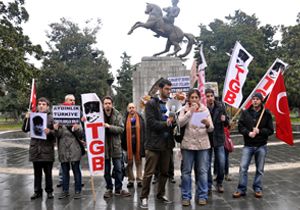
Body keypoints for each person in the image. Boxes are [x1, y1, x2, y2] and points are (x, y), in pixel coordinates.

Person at [140, 79, 175, 209]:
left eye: (170, 89)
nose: (169, 91)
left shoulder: (172, 103)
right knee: (149, 173)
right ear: (160, 89)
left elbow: (175, 122)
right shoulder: (151, 103)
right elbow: (151, 123)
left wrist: (175, 122)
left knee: (164, 172)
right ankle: (144, 197)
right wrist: (166, 123)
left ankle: (161, 194)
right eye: (166, 89)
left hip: (167, 144)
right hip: (153, 144)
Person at [233, 92, 274, 199]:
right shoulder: (246, 113)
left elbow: (270, 130)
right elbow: (240, 127)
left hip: (261, 145)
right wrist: (248, 133)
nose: (255, 101)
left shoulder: (266, 113)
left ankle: (258, 188)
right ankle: (241, 189)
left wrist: (260, 131)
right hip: (248, 145)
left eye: (257, 99)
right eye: (253, 99)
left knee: (259, 169)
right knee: (243, 168)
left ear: (261, 100)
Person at [179, 89, 214, 206]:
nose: (194, 100)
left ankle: (202, 195)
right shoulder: (184, 109)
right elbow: (180, 123)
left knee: (203, 171)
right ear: (189, 98)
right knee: (186, 172)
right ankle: (186, 196)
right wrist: (190, 113)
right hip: (188, 144)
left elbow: (211, 128)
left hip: (203, 144)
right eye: (192, 97)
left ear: (199, 99)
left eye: (196, 97)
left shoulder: (205, 109)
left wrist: (207, 124)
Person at [22, 97, 56, 200]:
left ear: (47, 106)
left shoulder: (52, 118)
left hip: (47, 150)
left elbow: (57, 134)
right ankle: (37, 191)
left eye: (43, 104)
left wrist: (49, 132)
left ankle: (49, 191)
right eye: (39, 104)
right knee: (37, 173)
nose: (41, 106)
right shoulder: (32, 116)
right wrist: (26, 119)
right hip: (35, 150)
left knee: (48, 173)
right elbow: (25, 129)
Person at [54, 94, 85, 199]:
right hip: (63, 147)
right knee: (65, 171)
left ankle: (78, 191)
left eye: (74, 100)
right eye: (70, 100)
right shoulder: (58, 115)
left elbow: (81, 133)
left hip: (74, 147)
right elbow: (57, 135)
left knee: (76, 170)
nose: (73, 102)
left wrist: (77, 128)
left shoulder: (77, 115)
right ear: (65, 101)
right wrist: (56, 128)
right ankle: (65, 191)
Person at [102, 96, 131, 198]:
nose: (107, 105)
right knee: (106, 170)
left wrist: (109, 127)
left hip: (116, 146)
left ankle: (118, 188)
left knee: (118, 168)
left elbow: (121, 129)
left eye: (109, 103)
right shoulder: (98, 114)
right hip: (104, 147)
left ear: (112, 104)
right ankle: (109, 188)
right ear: (103, 104)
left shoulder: (117, 114)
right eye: (105, 103)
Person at [205, 88, 229, 194]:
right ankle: (209, 185)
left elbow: (227, 123)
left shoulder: (220, 106)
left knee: (221, 162)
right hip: (207, 139)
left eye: (211, 96)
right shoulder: (203, 108)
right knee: (207, 163)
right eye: (208, 96)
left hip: (219, 138)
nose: (210, 98)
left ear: (214, 96)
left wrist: (225, 120)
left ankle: (220, 182)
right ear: (205, 97)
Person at [121, 103, 145, 188]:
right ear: (128, 109)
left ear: (135, 108)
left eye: (133, 107)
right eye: (130, 107)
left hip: (139, 144)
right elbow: (122, 132)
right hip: (128, 145)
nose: (131, 109)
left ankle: (139, 180)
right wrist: (123, 145)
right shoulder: (125, 119)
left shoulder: (140, 118)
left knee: (139, 163)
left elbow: (144, 131)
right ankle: (130, 180)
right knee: (129, 163)